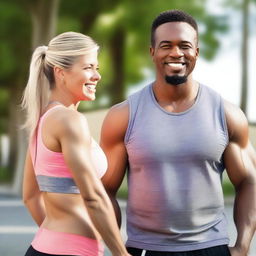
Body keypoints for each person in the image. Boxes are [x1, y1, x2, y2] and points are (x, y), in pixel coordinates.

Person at [100, 10, 256, 256]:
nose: (176, 53)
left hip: (210, 248)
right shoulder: (123, 116)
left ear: (197, 52)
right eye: (166, 46)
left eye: (185, 45)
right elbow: (103, 191)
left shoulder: (227, 114)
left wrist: (243, 246)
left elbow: (249, 181)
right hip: (145, 249)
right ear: (152, 52)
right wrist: (119, 250)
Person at [22, 31, 130, 256]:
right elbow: (93, 197)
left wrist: (57, 238)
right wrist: (121, 253)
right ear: (61, 73)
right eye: (88, 67)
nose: (97, 76)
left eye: (97, 68)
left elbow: (30, 196)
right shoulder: (69, 121)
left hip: (44, 247)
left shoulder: (42, 120)